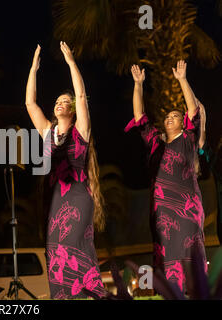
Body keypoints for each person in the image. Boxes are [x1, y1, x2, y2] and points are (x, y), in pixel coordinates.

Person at [25, 42, 106, 299]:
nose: (60, 103)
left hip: (78, 197)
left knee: (71, 243)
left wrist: (71, 63)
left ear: (71, 109)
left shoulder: (80, 132)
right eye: (58, 101)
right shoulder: (48, 132)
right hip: (54, 199)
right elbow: (30, 103)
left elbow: (81, 96)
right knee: (54, 248)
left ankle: (92, 292)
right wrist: (33, 69)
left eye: (65, 101)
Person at [125, 62, 207, 293]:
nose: (170, 118)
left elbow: (193, 110)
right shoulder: (155, 144)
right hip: (161, 212)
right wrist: (138, 84)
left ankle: (197, 292)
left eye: (175, 116)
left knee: (189, 256)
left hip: (187, 210)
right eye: (167, 116)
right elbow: (139, 116)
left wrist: (182, 79)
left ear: (183, 123)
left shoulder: (189, 140)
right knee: (165, 255)